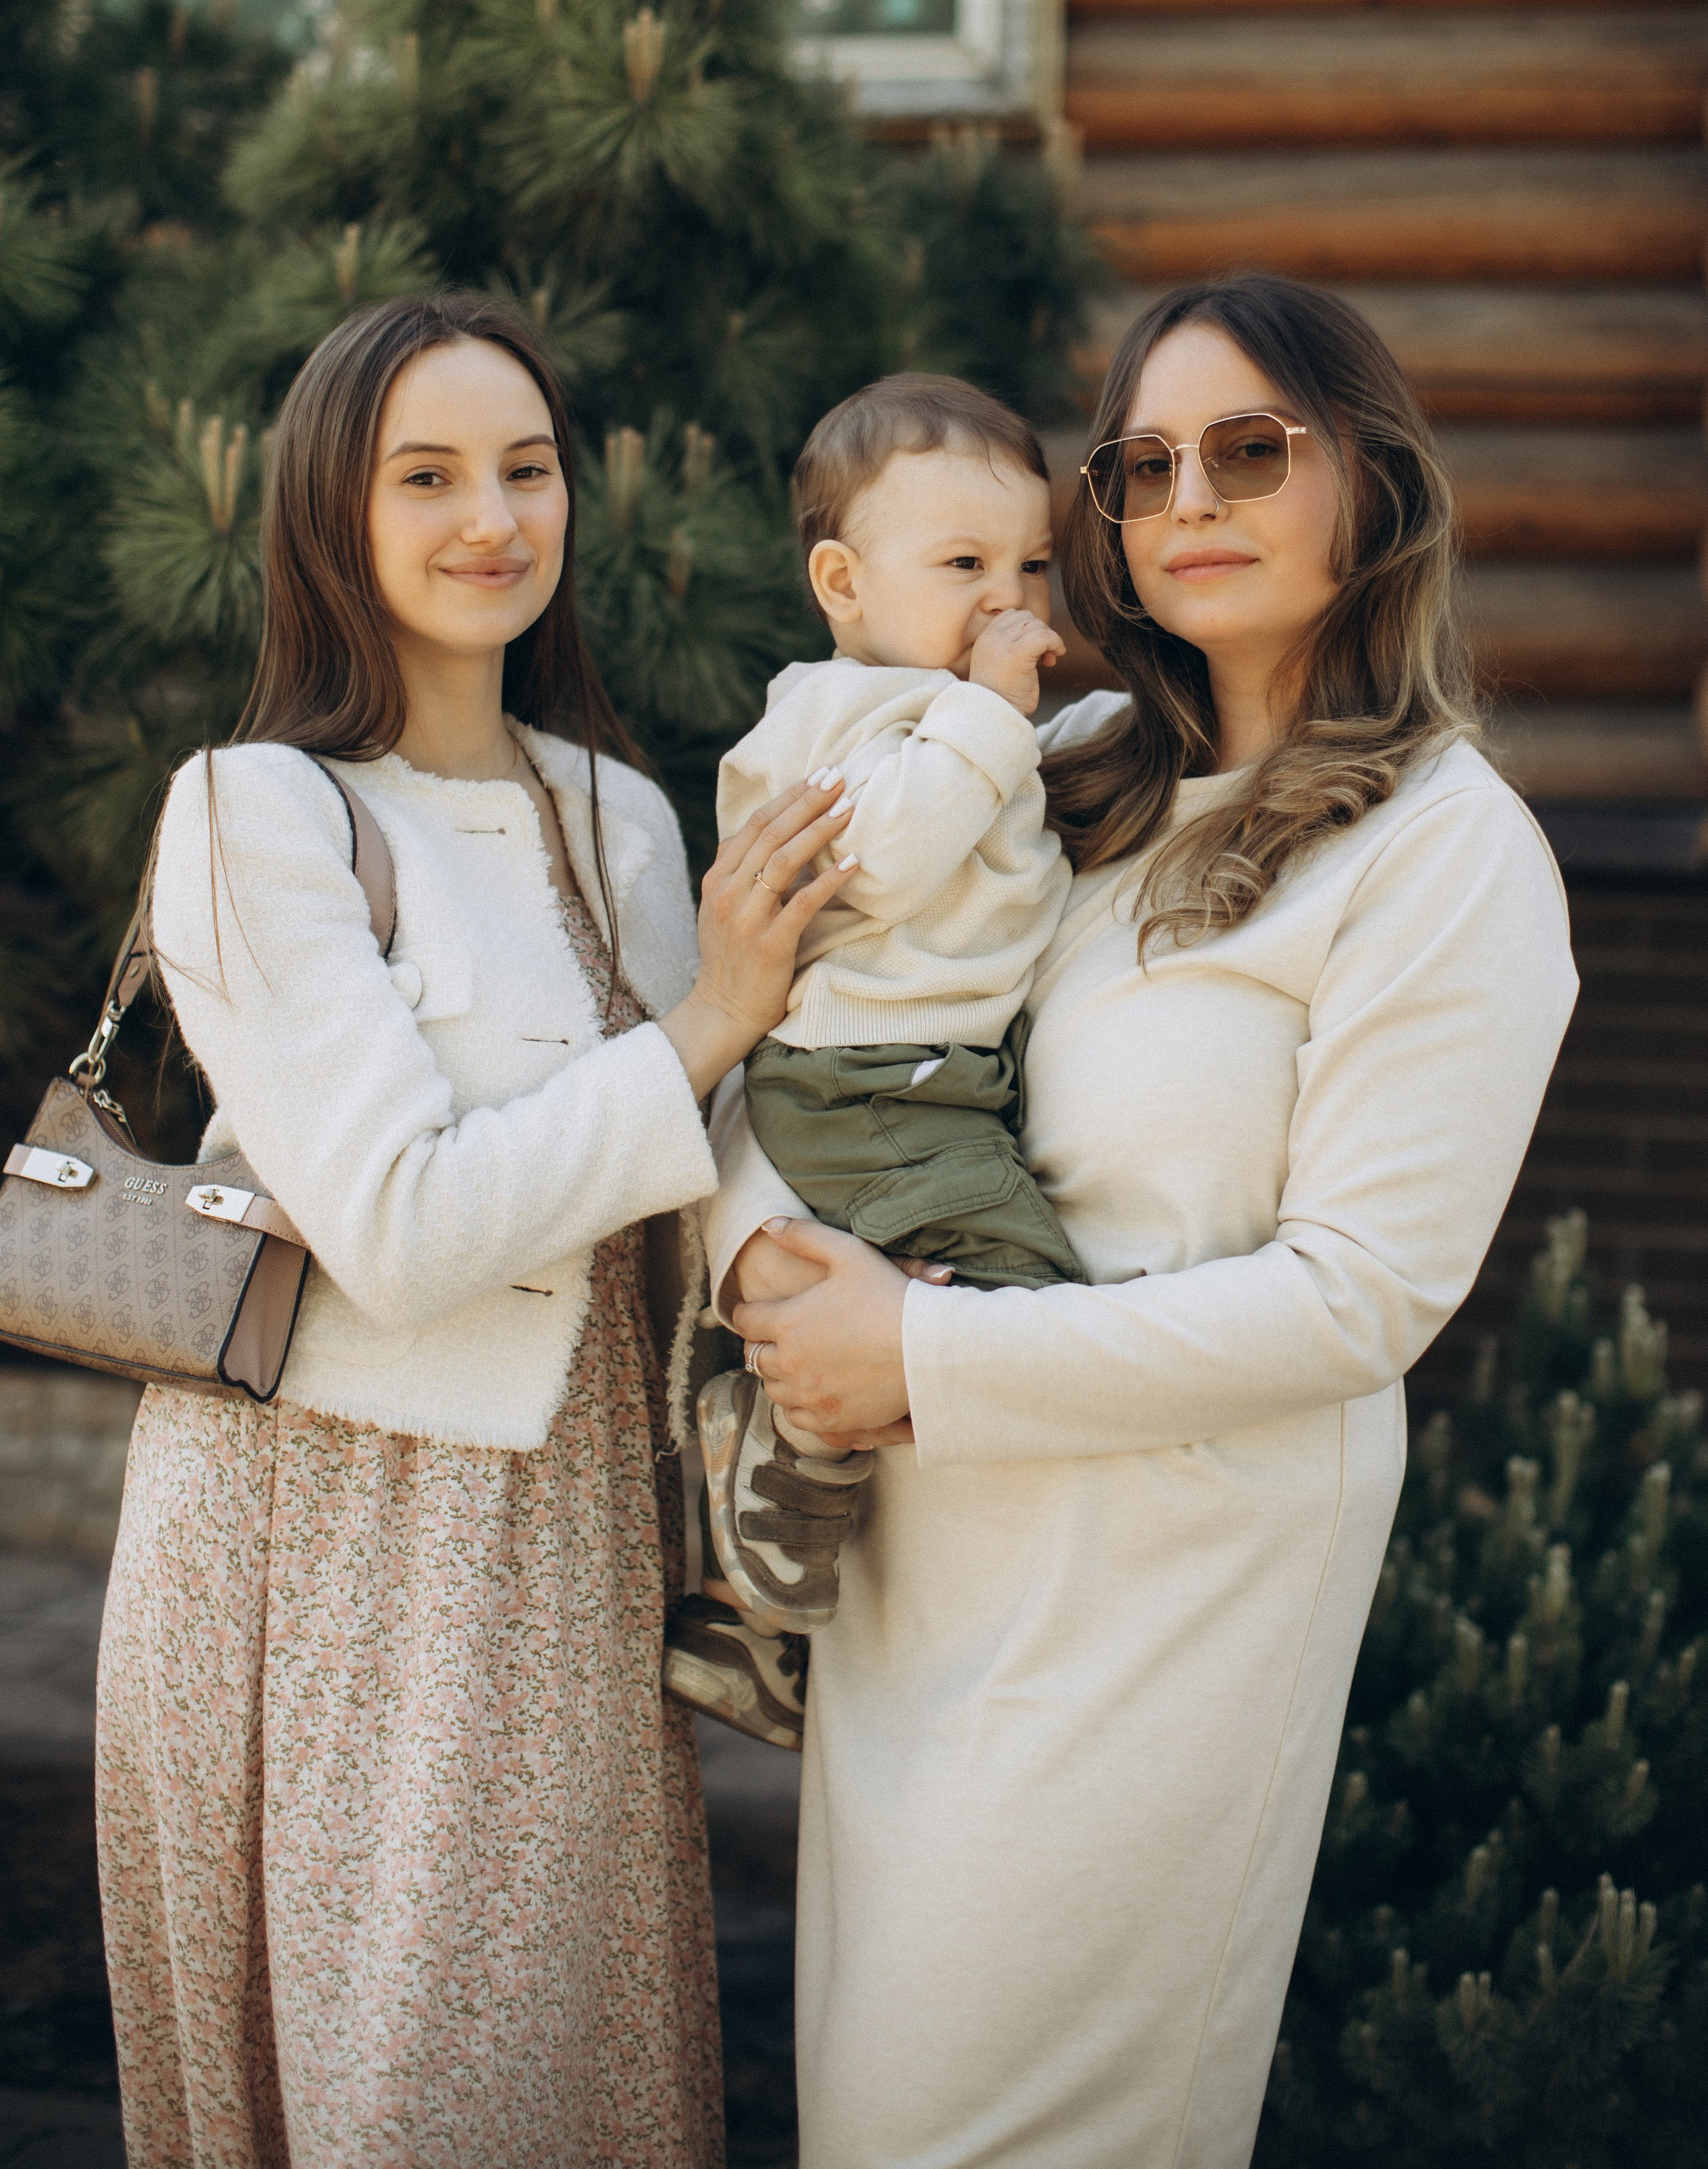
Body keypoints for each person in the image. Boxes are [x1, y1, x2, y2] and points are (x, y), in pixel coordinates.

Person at [703, 274, 1580, 2169]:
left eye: (1251, 449)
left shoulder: (1446, 851)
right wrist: (766, 1250)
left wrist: (920, 1347)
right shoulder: (1076, 788)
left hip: (1164, 1613)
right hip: (927, 1585)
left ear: (1377, 486)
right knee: (867, 2127)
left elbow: (1361, 1303)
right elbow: (842, 1045)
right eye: (1144, 461)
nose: (1191, 495)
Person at [95, 292, 855, 2169]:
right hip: (327, 1531)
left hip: (571, 1526)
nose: (490, 518)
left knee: (566, 2074)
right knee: (397, 2093)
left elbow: (705, 1163)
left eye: (526, 468)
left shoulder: (622, 819)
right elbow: (404, 1227)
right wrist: (707, 1028)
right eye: (424, 476)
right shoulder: (255, 814)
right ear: (326, 516)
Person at [699, 373, 1078, 1634]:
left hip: (918, 1081)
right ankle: (789, 1452)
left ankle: (788, 1471)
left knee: (932, 1283)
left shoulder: (939, 713)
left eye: (1031, 563)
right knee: (1019, 1294)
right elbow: (892, 857)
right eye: (964, 560)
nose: (1006, 600)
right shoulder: (841, 715)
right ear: (842, 585)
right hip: (864, 1081)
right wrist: (988, 714)